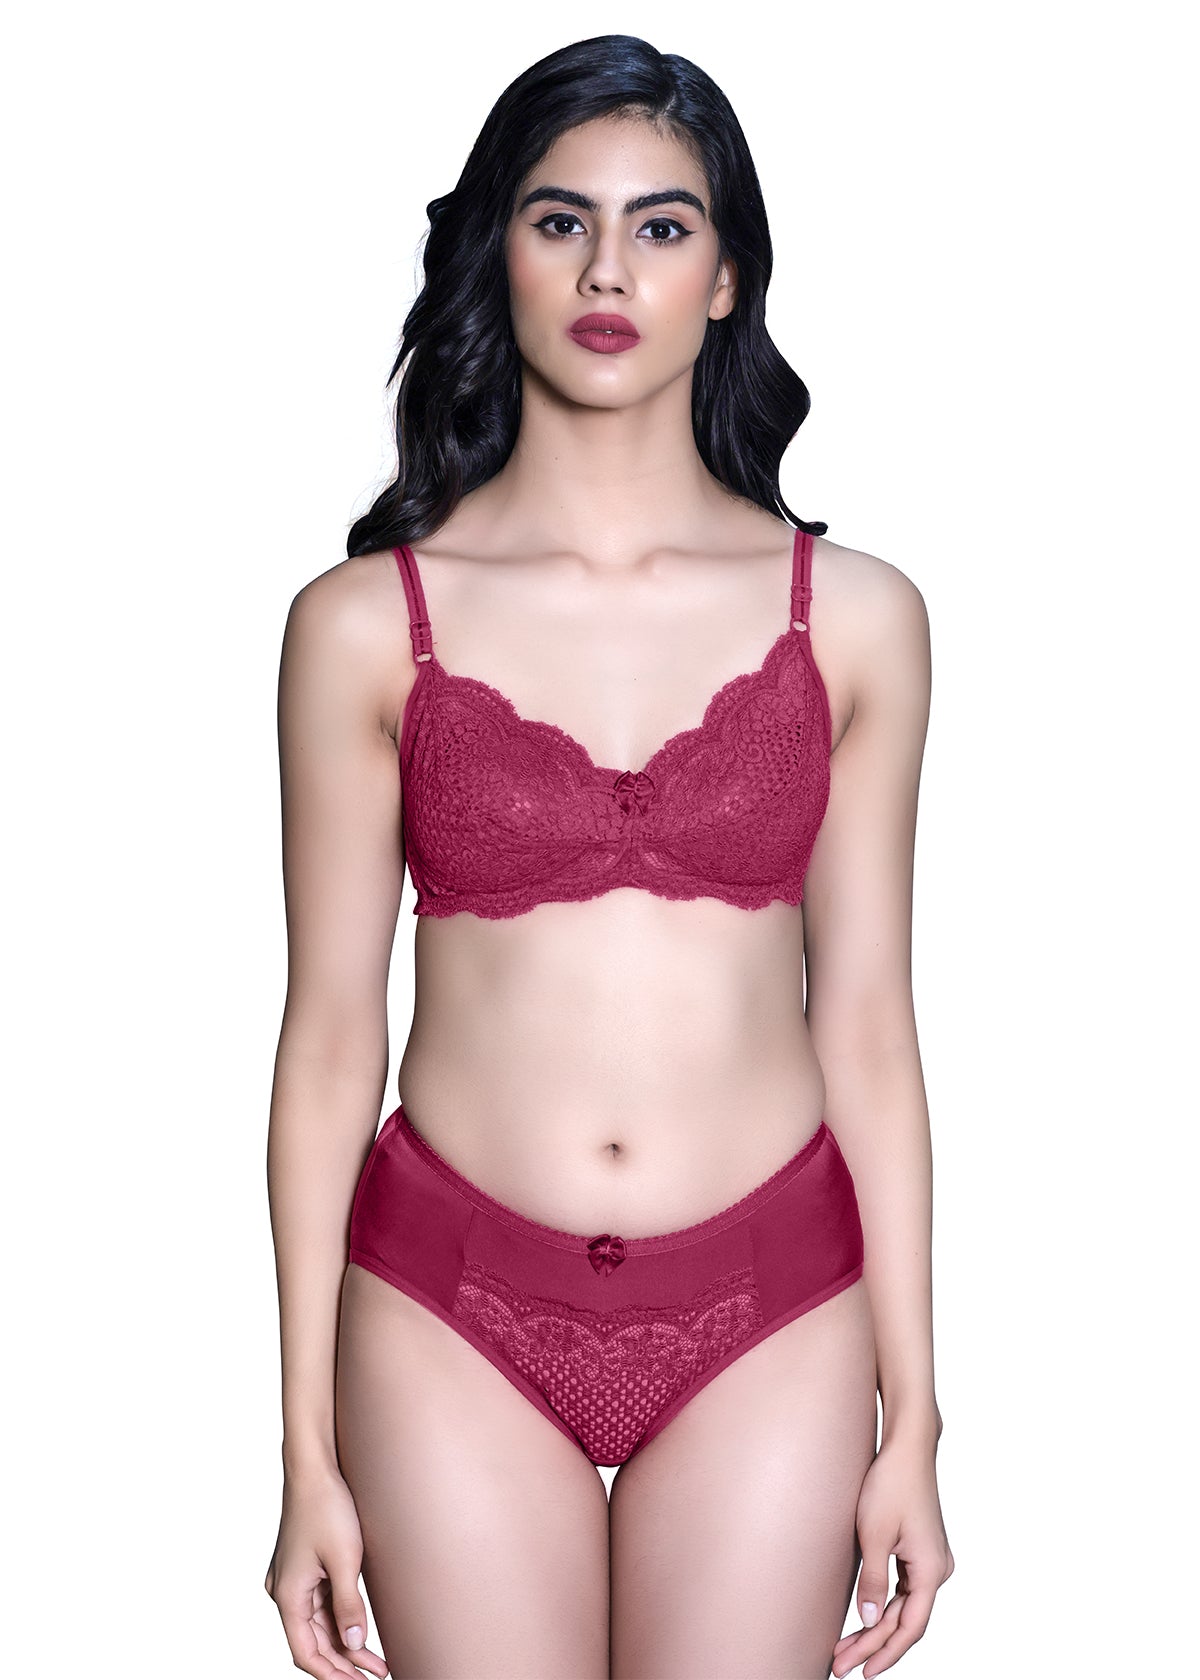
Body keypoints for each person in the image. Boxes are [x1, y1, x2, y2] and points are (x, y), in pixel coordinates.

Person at [263, 33, 953, 1680]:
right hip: (447, 1305)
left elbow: (869, 1022)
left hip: (773, 1302)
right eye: (560, 219)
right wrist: (300, 1450)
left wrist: (920, 1414)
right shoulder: (363, 626)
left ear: (726, 279)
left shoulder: (857, 618)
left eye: (663, 226)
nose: (607, 270)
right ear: (497, 250)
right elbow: (329, 1038)